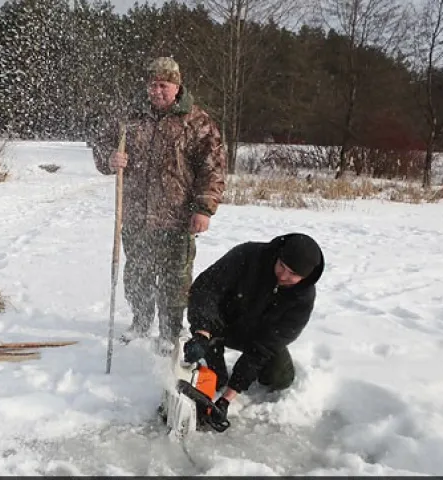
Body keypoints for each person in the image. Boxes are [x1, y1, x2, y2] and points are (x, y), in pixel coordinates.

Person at [91, 57, 226, 353]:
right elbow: (100, 144)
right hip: (136, 215)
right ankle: (140, 323)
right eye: (152, 85)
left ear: (177, 86)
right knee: (137, 274)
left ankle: (169, 332)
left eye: (163, 85)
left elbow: (213, 170)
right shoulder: (130, 116)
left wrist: (204, 209)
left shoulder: (197, 122)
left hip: (177, 218)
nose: (156, 91)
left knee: (175, 280)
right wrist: (110, 158)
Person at [182, 233, 325, 425]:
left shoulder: (302, 299)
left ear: (305, 277)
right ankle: (212, 354)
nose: (283, 276)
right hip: (221, 324)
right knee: (216, 377)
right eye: (282, 266)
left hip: (257, 337)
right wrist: (202, 331)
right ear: (278, 255)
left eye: (292, 274)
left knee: (281, 377)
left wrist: (227, 399)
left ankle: (237, 378)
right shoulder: (248, 255)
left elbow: (265, 347)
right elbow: (205, 288)